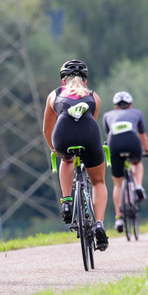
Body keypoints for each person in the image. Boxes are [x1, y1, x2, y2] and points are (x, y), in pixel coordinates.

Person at [42, 60, 109, 251]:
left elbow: (47, 129)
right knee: (98, 182)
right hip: (89, 135)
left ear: (63, 81)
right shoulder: (94, 97)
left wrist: (54, 149)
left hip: (62, 136)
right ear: (85, 81)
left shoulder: (54, 95)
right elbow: (91, 123)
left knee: (66, 159)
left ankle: (66, 202)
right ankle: (99, 223)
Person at [102, 91, 148, 233]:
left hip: (114, 143)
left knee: (118, 184)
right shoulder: (137, 113)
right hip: (132, 140)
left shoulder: (107, 115)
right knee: (136, 163)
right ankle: (138, 186)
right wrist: (147, 150)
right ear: (130, 105)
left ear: (115, 107)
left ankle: (118, 218)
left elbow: (108, 135)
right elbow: (143, 136)